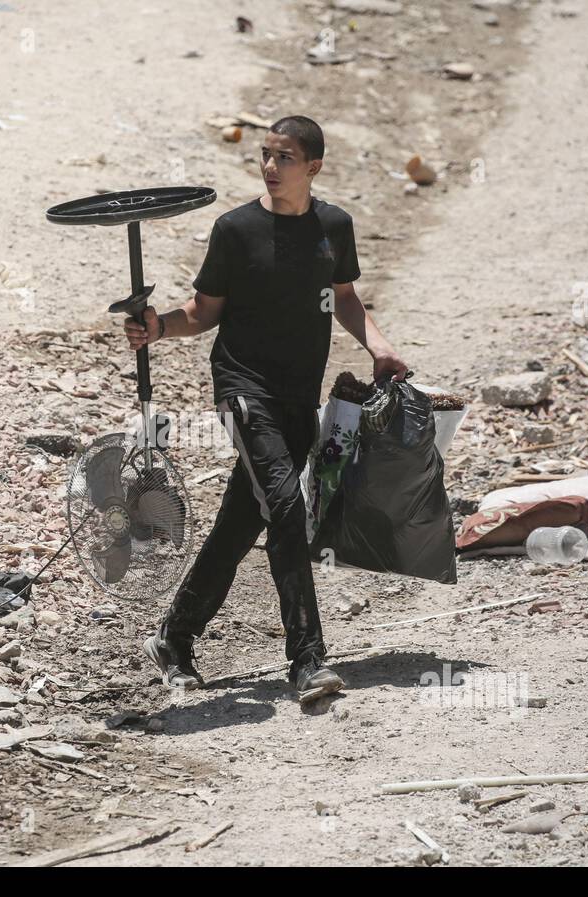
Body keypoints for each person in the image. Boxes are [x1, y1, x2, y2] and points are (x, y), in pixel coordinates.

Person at [122, 115, 407, 702]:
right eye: (265, 156)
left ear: (314, 167)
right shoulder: (236, 229)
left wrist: (377, 344)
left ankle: (174, 637)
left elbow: (345, 298)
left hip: (300, 394)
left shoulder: (333, 227)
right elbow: (204, 312)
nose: (271, 167)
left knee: (240, 520)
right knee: (284, 505)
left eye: (285, 158)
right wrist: (157, 327)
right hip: (243, 388)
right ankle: (307, 658)